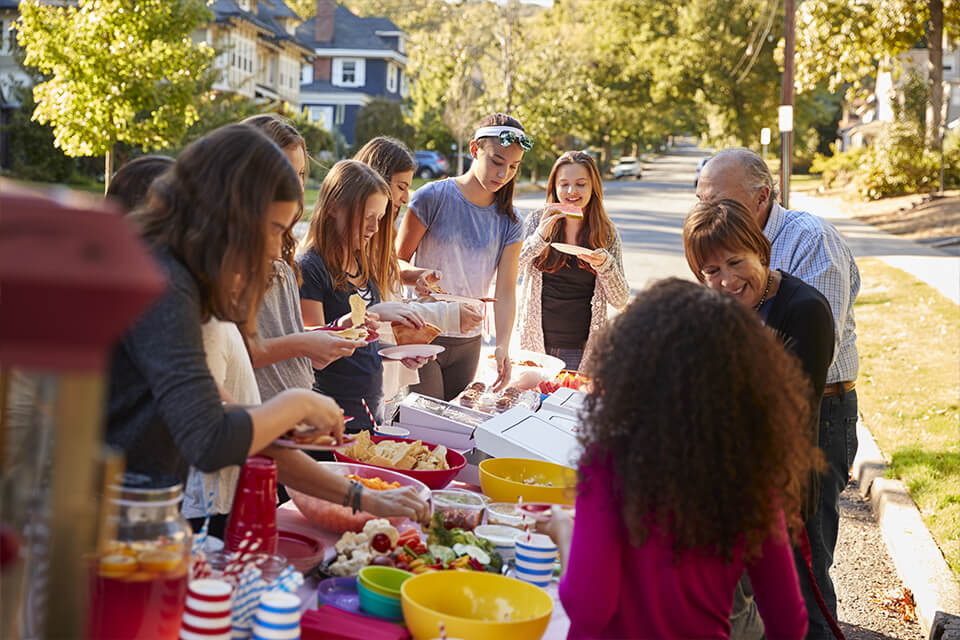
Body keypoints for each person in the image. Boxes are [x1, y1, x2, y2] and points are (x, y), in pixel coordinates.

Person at [540, 278, 821, 640]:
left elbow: (589, 607)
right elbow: (789, 623)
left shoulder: (611, 462)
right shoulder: (751, 477)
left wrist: (565, 532)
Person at [104, 124, 345, 482]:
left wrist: (357, 497)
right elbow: (208, 439)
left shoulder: (181, 276)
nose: (278, 250)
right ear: (235, 215)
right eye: (276, 229)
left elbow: (222, 417)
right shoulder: (166, 285)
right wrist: (301, 404)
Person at [696, 148, 860, 639]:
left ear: (762, 197)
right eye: (701, 200)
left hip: (815, 416)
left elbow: (810, 355)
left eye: (719, 200)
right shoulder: (719, 250)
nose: (707, 211)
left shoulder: (809, 242)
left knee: (801, 579)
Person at [396, 113, 528, 400]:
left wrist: (502, 345)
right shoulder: (432, 197)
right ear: (474, 149)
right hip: (423, 331)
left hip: (469, 342)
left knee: (453, 426)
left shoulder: (512, 221)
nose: (503, 174)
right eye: (496, 161)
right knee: (425, 426)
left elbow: (506, 291)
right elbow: (394, 262)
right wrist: (416, 276)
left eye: (513, 167)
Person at [352, 137, 483, 411]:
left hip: (381, 380)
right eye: (400, 187)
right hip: (359, 388)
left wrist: (415, 276)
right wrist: (445, 315)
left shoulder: (381, 235)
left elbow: (389, 283)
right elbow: (365, 314)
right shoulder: (355, 242)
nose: (405, 197)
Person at [298, 159, 425, 430]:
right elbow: (312, 350)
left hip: (369, 410)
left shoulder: (360, 261)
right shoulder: (310, 268)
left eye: (379, 219)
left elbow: (361, 345)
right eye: (367, 217)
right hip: (329, 418)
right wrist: (374, 314)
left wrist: (397, 353)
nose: (375, 228)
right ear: (333, 208)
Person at [516, 151, 629, 370]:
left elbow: (621, 299)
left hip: (580, 350)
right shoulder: (537, 220)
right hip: (534, 344)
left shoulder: (606, 232)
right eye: (564, 184)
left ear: (593, 187)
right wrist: (539, 238)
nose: (571, 191)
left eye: (580, 184)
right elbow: (512, 271)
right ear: (554, 187)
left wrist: (604, 265)